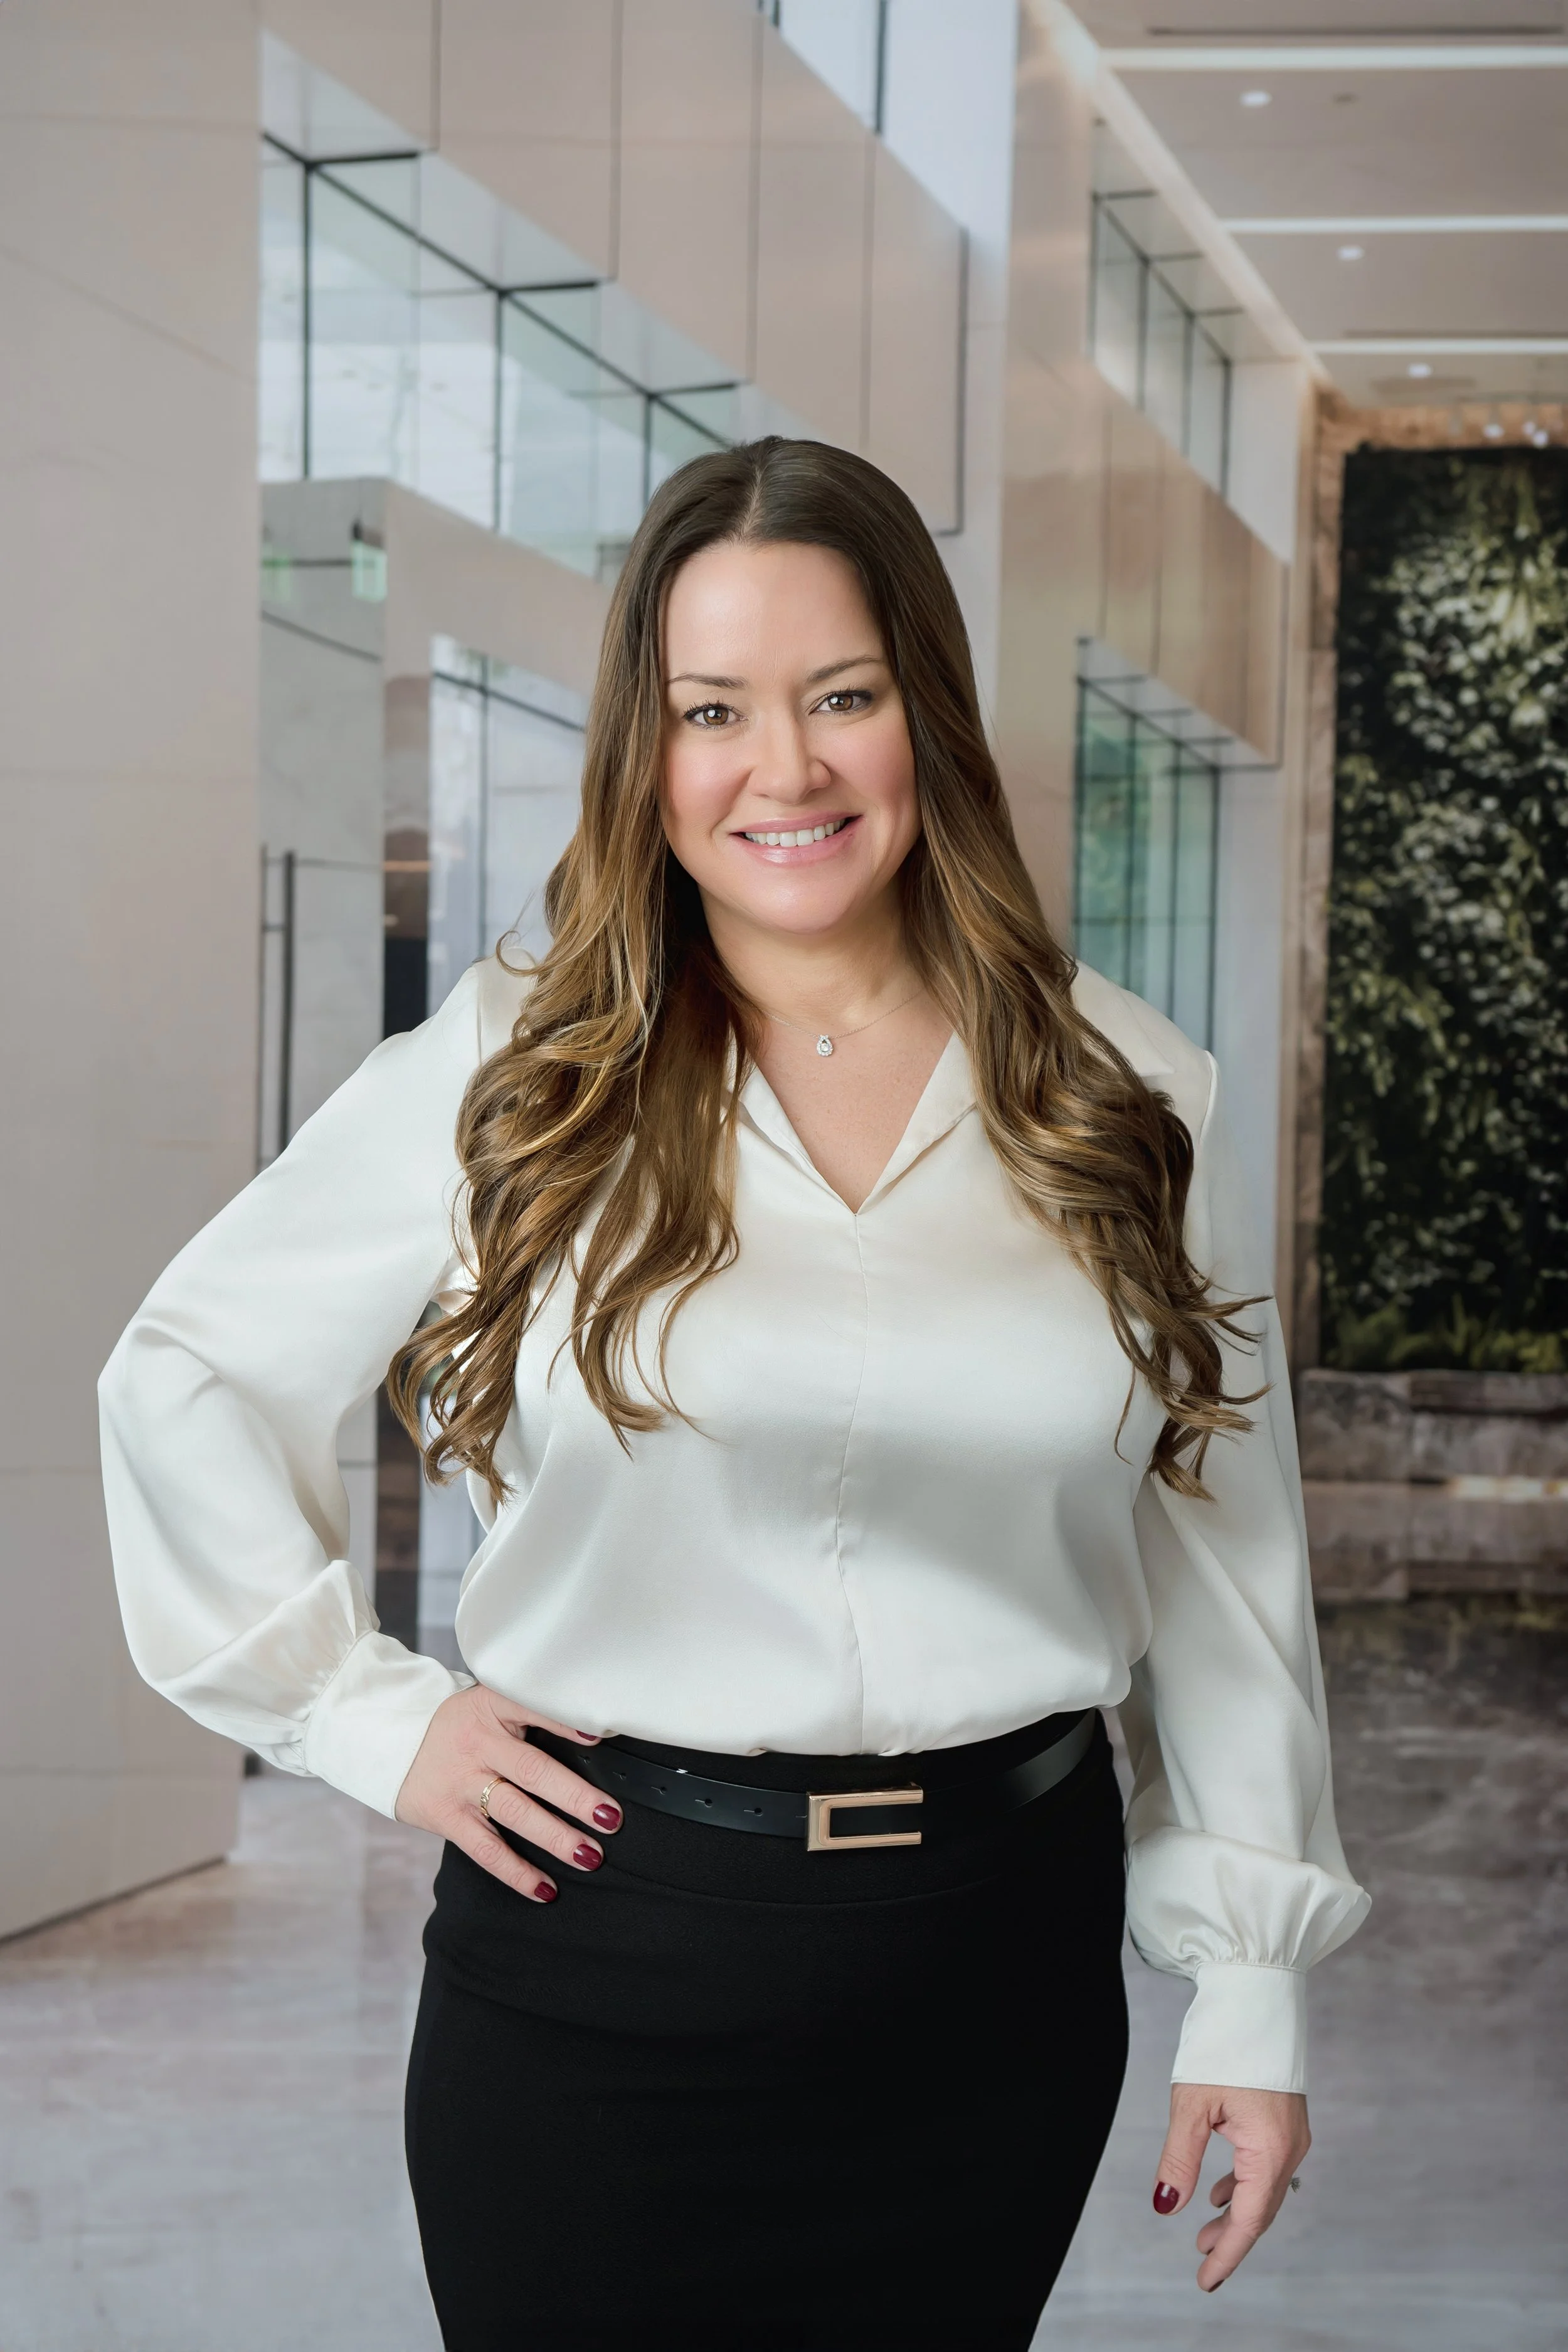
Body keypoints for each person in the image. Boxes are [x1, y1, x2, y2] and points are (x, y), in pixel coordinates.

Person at [100, 437, 1369, 2351]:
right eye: (713, 710)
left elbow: (1223, 1564)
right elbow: (185, 1368)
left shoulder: (1126, 1092)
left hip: (995, 1980)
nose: (783, 769)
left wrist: (1252, 1989)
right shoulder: (527, 1066)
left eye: (840, 696)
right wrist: (365, 1717)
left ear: (921, 714)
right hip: (603, 1962)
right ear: (647, 749)